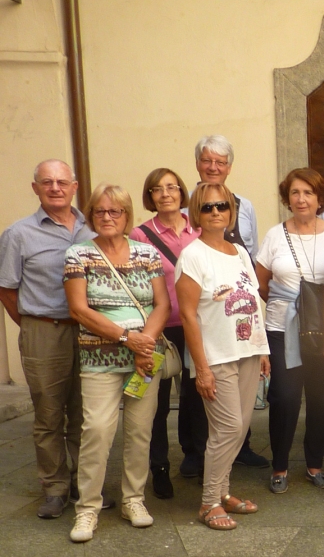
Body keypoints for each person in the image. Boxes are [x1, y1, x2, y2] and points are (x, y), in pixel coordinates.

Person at [63, 185, 170, 542]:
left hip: (143, 359)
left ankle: (134, 500)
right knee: (96, 431)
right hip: (99, 357)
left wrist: (145, 344)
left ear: (127, 216)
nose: (107, 217)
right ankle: (88, 509)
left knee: (140, 432)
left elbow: (162, 304)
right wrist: (127, 338)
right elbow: (79, 310)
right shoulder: (79, 254)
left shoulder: (146, 252)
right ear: (91, 216)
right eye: (100, 212)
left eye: (115, 212)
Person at [0, 160, 93, 519]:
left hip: (90, 332)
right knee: (49, 414)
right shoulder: (18, 234)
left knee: (87, 412)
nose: (55, 188)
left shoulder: (93, 227)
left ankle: (86, 486)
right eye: (47, 182)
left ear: (74, 187)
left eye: (62, 182)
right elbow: (7, 289)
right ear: (35, 188)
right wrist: (31, 324)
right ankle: (55, 487)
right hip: (43, 329)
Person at [176, 182, 271, 531]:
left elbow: (252, 300)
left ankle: (223, 491)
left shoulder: (239, 251)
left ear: (232, 211)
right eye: (207, 207)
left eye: (222, 206)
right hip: (215, 357)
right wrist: (201, 368)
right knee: (227, 428)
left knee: (241, 427)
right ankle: (209, 502)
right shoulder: (193, 255)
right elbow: (188, 316)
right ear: (196, 214)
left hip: (247, 351)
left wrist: (261, 349)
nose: (216, 212)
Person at [255, 168, 324, 494]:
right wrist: (288, 306)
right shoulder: (275, 236)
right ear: (287, 198)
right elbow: (260, 283)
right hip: (282, 329)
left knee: (322, 398)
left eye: (308, 192)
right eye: (295, 193)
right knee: (286, 397)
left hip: (323, 330)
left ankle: (315, 463)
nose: (301, 199)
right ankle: (279, 465)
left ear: (320, 198)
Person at [193, 135, 268, 469]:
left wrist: (261, 345)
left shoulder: (245, 208)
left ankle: (235, 457)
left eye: (220, 162)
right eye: (207, 161)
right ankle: (199, 461)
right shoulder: (189, 210)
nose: (213, 167)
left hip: (238, 322)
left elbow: (247, 257)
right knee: (209, 403)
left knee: (236, 414)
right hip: (203, 313)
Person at [129, 168, 201, 500]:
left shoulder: (198, 229)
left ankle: (197, 458)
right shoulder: (140, 235)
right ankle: (159, 467)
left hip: (196, 326)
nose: (166, 193)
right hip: (158, 329)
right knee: (156, 401)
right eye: (157, 189)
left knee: (197, 395)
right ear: (150, 196)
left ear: (182, 192)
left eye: (172, 187)